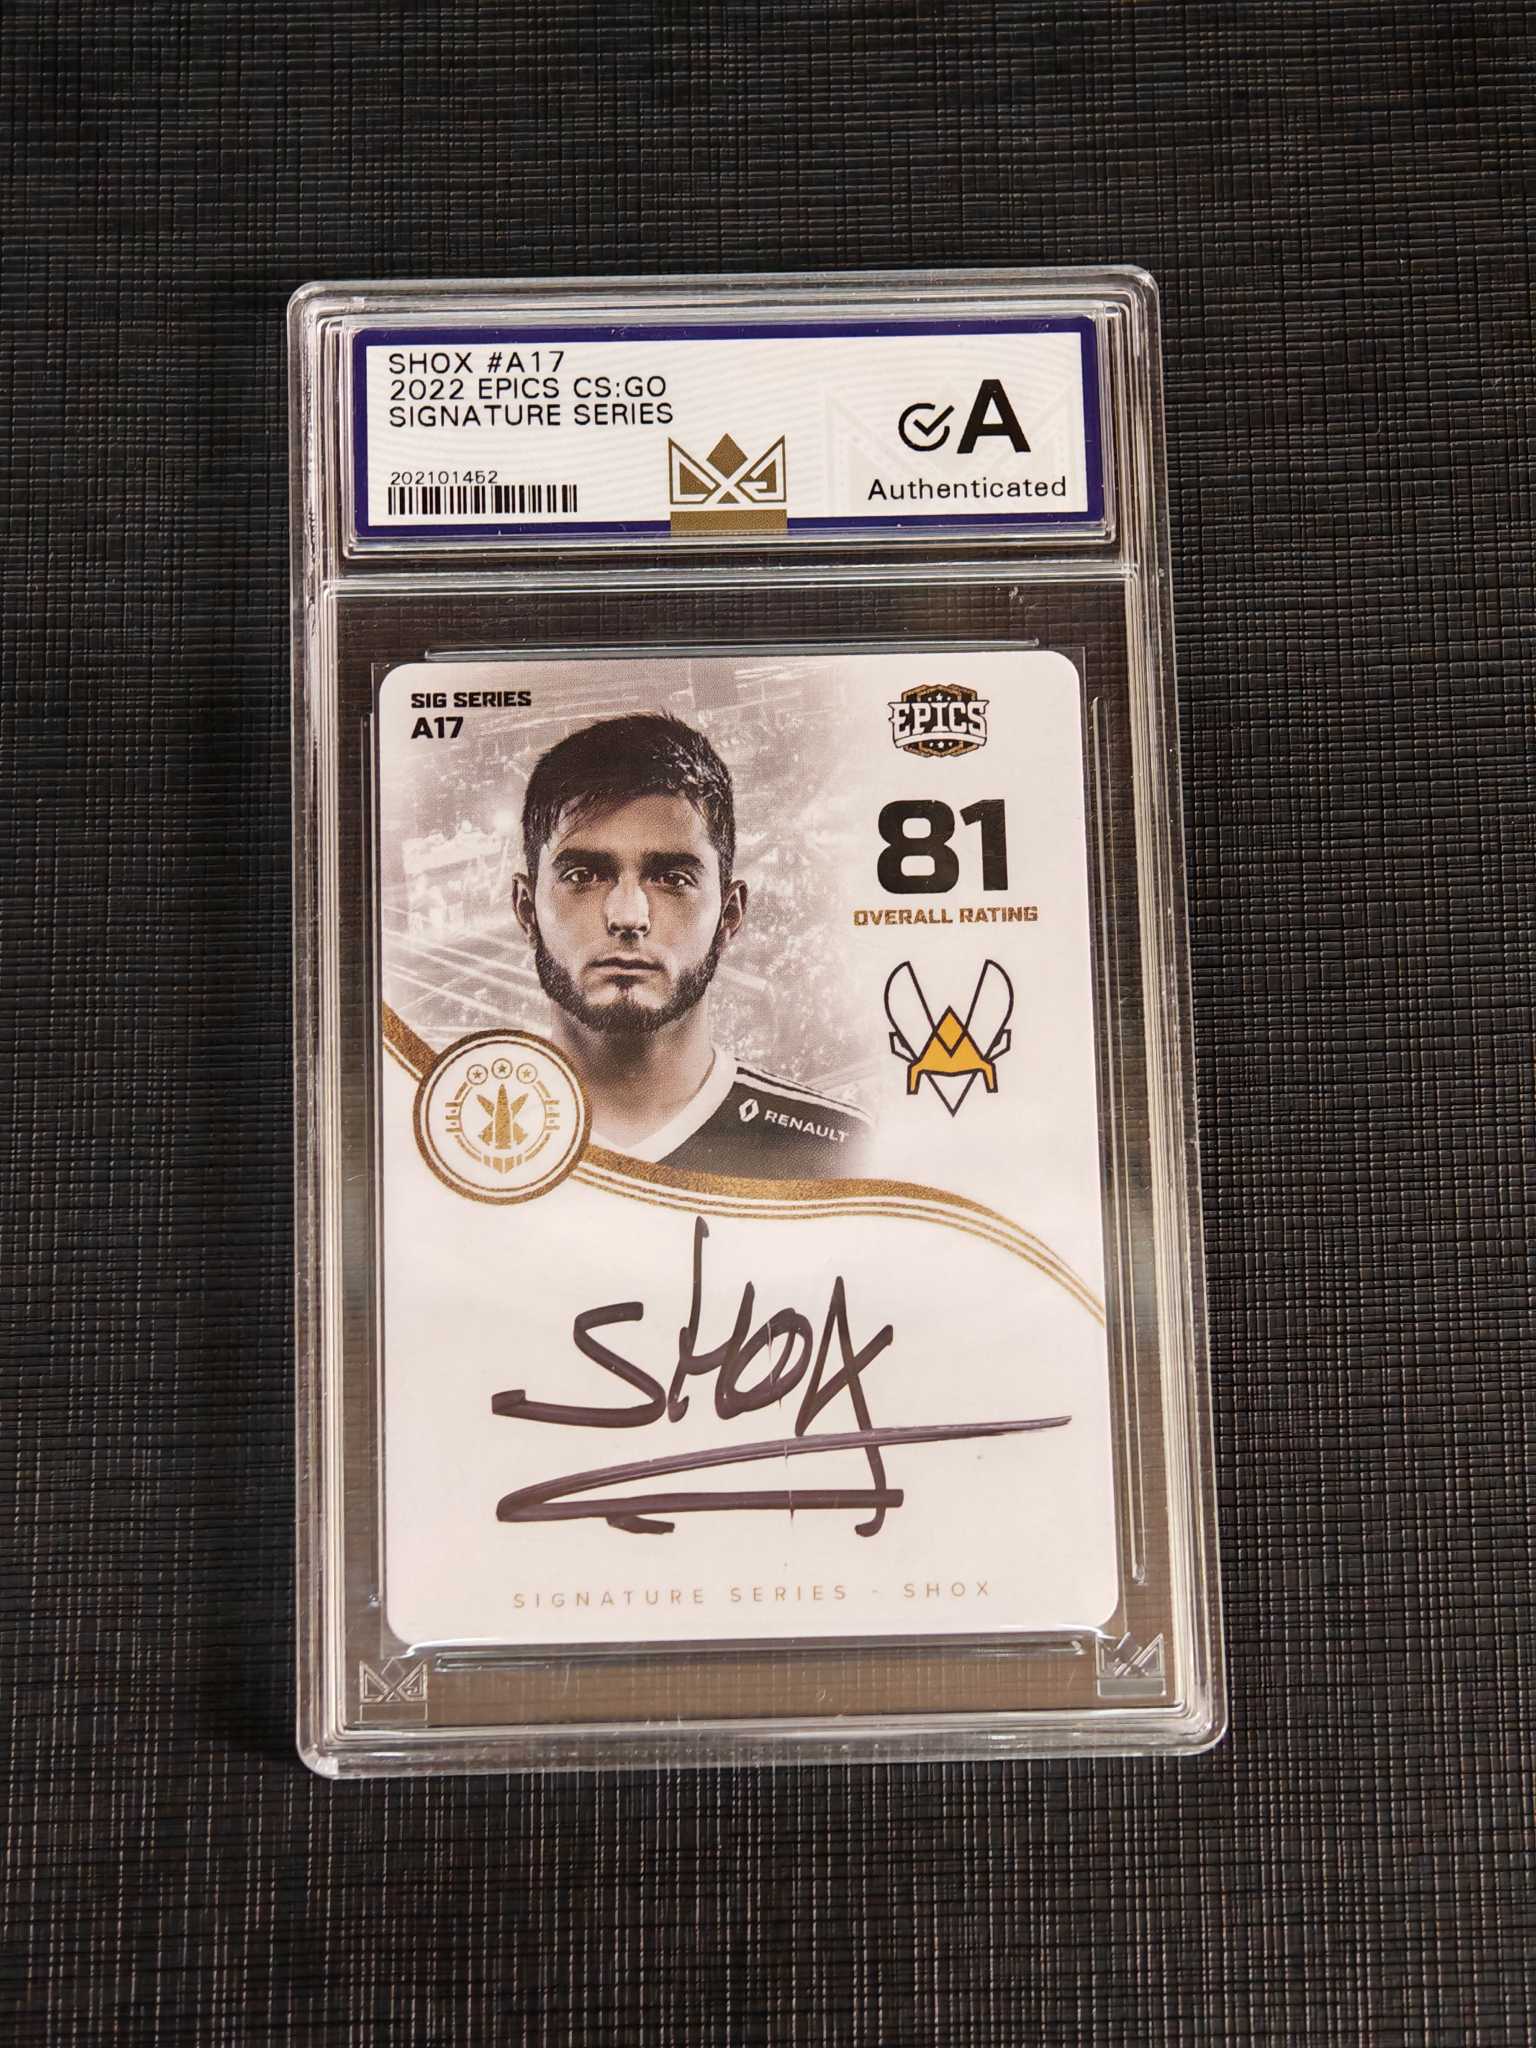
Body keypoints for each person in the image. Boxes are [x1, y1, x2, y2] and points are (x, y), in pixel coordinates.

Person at [511, 712, 868, 1178]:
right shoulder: (438, 1152)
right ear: (526, 909)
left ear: (730, 915)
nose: (628, 916)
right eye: (583, 876)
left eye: (672, 879)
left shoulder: (837, 1157)